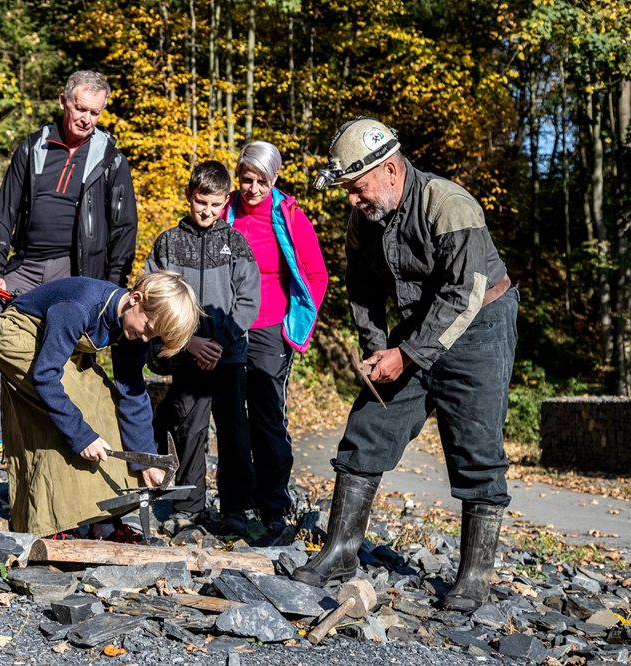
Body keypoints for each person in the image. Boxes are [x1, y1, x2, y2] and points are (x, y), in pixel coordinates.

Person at [292, 118, 518, 614]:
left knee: (477, 447)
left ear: (391, 171)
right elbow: (363, 291)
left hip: (479, 325)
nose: (353, 200)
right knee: (368, 426)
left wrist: (409, 354)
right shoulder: (364, 219)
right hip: (417, 326)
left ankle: (475, 577)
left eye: (357, 188)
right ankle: (341, 550)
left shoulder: (449, 204)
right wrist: (377, 349)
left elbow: (466, 292)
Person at [0, 70, 138, 455]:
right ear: (63, 101)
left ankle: (56, 434)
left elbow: (124, 229)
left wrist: (112, 289)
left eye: (95, 112)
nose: (86, 118)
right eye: (80, 107)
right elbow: (4, 210)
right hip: (23, 266)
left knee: (60, 351)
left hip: (73, 273)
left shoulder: (111, 159)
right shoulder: (32, 148)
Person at [0, 271, 201, 538]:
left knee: (106, 405)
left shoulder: (133, 328)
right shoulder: (79, 306)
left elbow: (132, 392)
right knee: (64, 419)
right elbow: (45, 376)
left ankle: (103, 521)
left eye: (154, 336)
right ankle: (52, 525)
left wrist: (145, 459)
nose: (147, 339)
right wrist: (81, 436)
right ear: (136, 299)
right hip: (19, 337)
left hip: (61, 347)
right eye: (148, 328)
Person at [145, 161, 260, 531]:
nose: (206, 211)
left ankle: (237, 509)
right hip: (185, 357)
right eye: (199, 202)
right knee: (188, 431)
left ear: (226, 201)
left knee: (233, 431)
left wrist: (219, 343)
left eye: (214, 204)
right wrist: (188, 342)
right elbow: (152, 295)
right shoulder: (168, 243)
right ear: (188, 197)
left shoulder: (236, 243)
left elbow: (248, 301)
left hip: (228, 358)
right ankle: (190, 507)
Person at [221, 142, 328, 535]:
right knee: (232, 418)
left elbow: (316, 275)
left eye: (260, 182)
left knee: (267, 419)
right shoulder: (224, 210)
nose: (251, 189)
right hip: (230, 326)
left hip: (270, 328)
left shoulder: (291, 217)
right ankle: (234, 506)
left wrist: (294, 325)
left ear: (275, 179)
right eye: (246, 179)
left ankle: (274, 507)